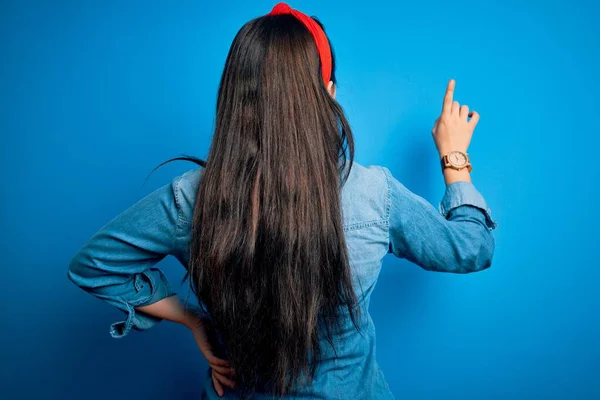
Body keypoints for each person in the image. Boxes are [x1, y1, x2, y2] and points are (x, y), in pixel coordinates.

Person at [68, 2, 497, 399]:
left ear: (236, 96)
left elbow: (94, 265)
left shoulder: (193, 197)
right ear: (328, 93)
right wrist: (454, 157)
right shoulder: (373, 195)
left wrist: (192, 318)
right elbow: (470, 249)